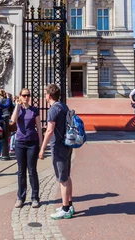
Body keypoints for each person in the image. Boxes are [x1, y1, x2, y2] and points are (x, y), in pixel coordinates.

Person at [40, 84, 75, 220]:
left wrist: (42, 148)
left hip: (58, 147)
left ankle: (65, 209)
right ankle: (69, 205)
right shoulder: (63, 106)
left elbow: (49, 131)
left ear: (49, 95)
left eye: (45, 94)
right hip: (67, 144)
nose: (44, 96)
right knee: (67, 176)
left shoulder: (53, 110)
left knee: (62, 179)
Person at [12, 88, 43, 209]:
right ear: (20, 96)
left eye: (28, 95)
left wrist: (41, 145)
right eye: (24, 95)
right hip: (20, 142)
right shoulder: (18, 110)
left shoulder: (34, 110)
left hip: (32, 142)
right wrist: (17, 106)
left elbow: (39, 128)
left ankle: (35, 197)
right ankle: (21, 197)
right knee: (21, 171)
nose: (26, 97)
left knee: (32, 171)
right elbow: (13, 120)